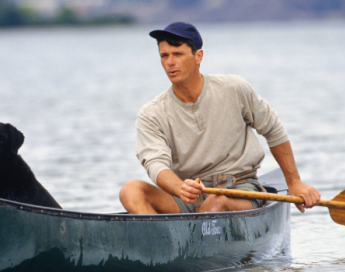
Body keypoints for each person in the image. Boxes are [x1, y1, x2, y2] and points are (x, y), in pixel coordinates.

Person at [119, 22, 320, 215]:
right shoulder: (151, 113)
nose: (170, 62)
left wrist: (294, 182)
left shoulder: (234, 88)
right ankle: (164, 242)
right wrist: (180, 187)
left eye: (178, 54)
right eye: (164, 55)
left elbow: (273, 130)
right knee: (130, 190)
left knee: (216, 202)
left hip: (240, 190)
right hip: (188, 195)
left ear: (198, 56)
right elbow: (155, 163)